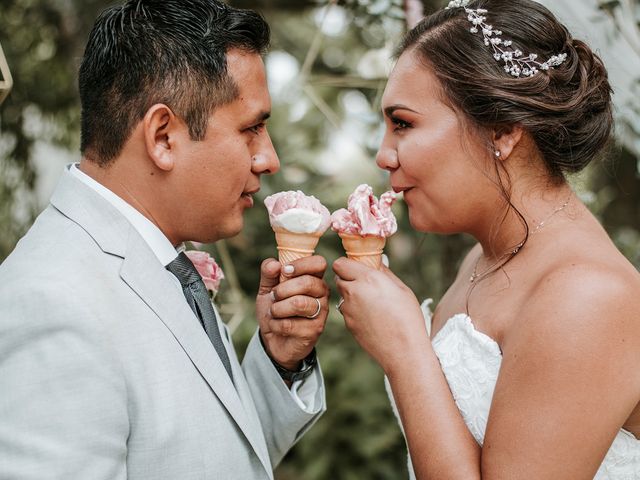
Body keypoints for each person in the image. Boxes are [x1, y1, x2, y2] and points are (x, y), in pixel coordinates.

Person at [0, 1, 329, 478]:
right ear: (163, 137)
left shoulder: (158, 258)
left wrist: (279, 361)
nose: (268, 159)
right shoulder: (51, 303)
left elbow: (205, 455)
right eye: (252, 128)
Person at [333, 0, 640, 478]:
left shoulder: (588, 294)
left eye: (403, 124)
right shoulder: (483, 257)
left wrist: (403, 346)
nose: (383, 155)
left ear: (501, 132)